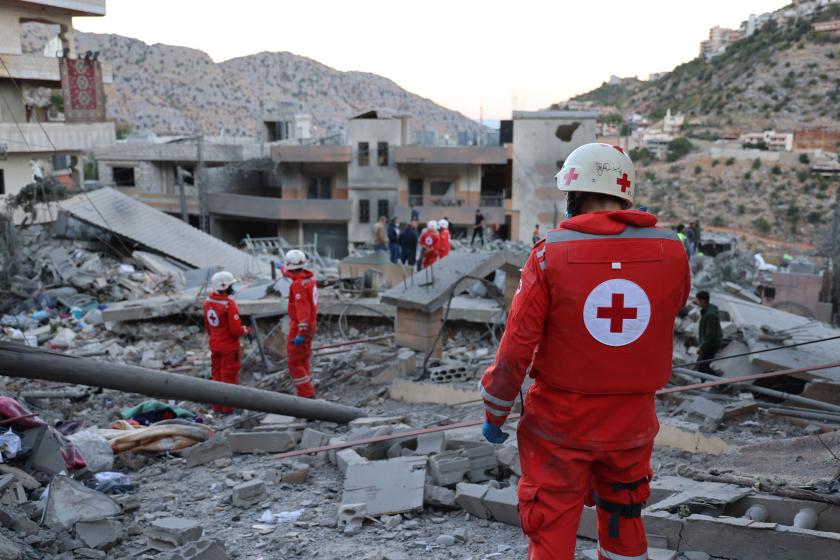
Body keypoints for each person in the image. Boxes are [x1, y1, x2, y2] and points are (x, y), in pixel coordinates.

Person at [479, 143, 690, 560]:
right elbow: (672, 308)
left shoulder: (549, 255)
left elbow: (515, 349)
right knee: (623, 520)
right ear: (625, 192)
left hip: (559, 426)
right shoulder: (673, 251)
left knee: (551, 525)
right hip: (632, 426)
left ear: (574, 196)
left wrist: (495, 411)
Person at [203, 271, 251, 414]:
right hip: (229, 346)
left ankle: (217, 407)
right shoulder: (228, 304)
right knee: (228, 376)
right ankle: (229, 408)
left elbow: (207, 326)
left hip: (215, 343)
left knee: (216, 375)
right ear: (225, 286)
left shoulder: (208, 302)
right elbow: (235, 330)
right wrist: (246, 331)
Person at [281, 249, 318, 398]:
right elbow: (293, 274)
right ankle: (306, 396)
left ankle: (308, 396)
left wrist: (301, 332)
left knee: (294, 363)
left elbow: (303, 309)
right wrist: (283, 269)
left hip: (300, 327)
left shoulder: (297, 286)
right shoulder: (308, 280)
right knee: (303, 361)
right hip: (311, 325)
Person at [695, 290, 723, 375]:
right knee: (702, 364)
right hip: (711, 343)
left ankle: (718, 381)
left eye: (697, 300)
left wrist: (701, 346)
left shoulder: (709, 314)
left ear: (703, 301)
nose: (696, 302)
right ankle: (715, 380)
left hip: (711, 344)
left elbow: (710, 334)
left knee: (701, 366)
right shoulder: (709, 309)